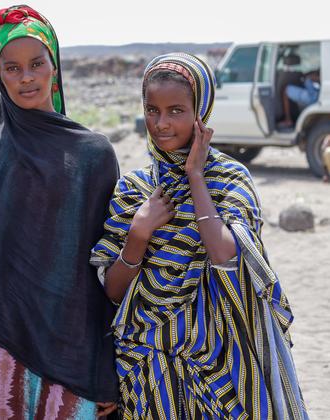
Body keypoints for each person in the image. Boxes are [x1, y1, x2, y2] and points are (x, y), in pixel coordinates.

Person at [90, 52, 308, 419]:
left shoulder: (229, 179)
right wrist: (139, 233)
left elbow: (227, 257)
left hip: (224, 361)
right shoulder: (133, 189)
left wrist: (195, 176)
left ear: (201, 111)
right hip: (148, 364)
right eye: (152, 109)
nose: (161, 123)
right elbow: (113, 291)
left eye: (176, 110)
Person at [0, 6, 119, 419]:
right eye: (12, 68)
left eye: (36, 63)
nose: (26, 77)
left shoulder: (94, 155)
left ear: (54, 66)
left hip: (75, 354)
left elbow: (105, 269)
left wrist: (106, 367)